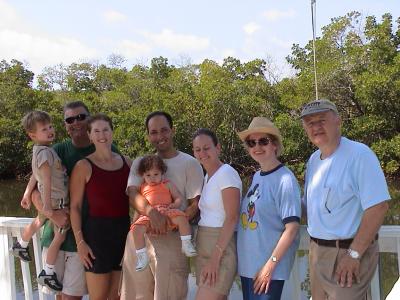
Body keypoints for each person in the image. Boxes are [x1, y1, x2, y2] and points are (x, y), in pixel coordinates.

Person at [22, 100, 117, 299]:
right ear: (65, 124)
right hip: (56, 235)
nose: (76, 122)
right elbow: (36, 191)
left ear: (90, 119)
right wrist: (51, 214)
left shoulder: (106, 147)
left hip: (88, 240)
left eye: (81, 117)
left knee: (74, 296)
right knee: (60, 296)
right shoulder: (54, 150)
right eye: (70, 119)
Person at [301, 99, 391, 299]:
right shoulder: (314, 160)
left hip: (347, 253)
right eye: (310, 122)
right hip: (317, 253)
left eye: (321, 120)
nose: (316, 127)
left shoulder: (359, 155)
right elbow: (309, 207)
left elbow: (378, 207)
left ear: (337, 121)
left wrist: (354, 254)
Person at [121, 111, 204, 300]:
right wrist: (152, 214)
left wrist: (169, 222)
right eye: (154, 132)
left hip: (172, 240)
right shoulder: (141, 163)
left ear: (172, 130)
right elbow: (133, 194)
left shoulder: (190, 163)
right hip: (140, 239)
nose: (160, 136)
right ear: (149, 135)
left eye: (164, 130)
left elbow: (195, 205)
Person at [236, 117, 301, 300]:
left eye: (263, 141)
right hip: (249, 267)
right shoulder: (257, 176)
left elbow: (292, 228)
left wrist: (269, 266)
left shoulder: (285, 180)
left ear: (274, 145)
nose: (257, 146)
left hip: (267, 271)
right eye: (251, 142)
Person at [70, 113, 131, 300]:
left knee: (117, 296)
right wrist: (80, 243)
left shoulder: (128, 163)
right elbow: (75, 207)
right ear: (90, 135)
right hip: (96, 238)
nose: (102, 134)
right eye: (96, 131)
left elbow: (137, 201)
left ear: (112, 132)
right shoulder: (83, 166)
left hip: (123, 235)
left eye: (105, 129)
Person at [12, 110, 68, 292]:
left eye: (50, 126)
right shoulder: (46, 153)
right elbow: (46, 179)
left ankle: (21, 244)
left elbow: (34, 178)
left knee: (39, 220)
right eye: (44, 129)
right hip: (55, 200)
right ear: (33, 135)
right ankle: (48, 272)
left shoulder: (40, 151)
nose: (50, 130)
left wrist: (27, 194)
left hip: (48, 199)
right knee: (61, 233)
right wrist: (48, 208)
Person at [192, 128, 242, 300]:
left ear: (217, 148)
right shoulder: (207, 176)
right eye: (197, 150)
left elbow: (232, 217)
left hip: (220, 250)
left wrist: (215, 259)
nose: (202, 153)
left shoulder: (227, 173)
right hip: (204, 246)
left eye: (206, 148)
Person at [131, 154, 197, 272]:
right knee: (135, 230)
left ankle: (186, 243)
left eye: (156, 174)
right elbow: (139, 207)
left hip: (166, 210)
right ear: (143, 176)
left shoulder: (167, 184)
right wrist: (135, 222)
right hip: (149, 215)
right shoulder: (142, 187)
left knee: (182, 218)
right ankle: (142, 256)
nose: (152, 178)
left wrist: (175, 205)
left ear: (162, 173)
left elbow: (178, 198)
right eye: (148, 175)